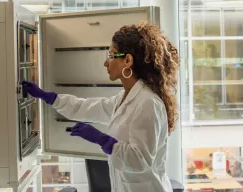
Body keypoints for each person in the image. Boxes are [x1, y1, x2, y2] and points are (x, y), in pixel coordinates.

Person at [22, 22, 180, 192]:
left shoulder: (148, 103)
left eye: (111, 56)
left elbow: (139, 160)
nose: (106, 63)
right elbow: (87, 107)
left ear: (127, 60)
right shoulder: (126, 97)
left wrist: (102, 139)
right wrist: (48, 97)